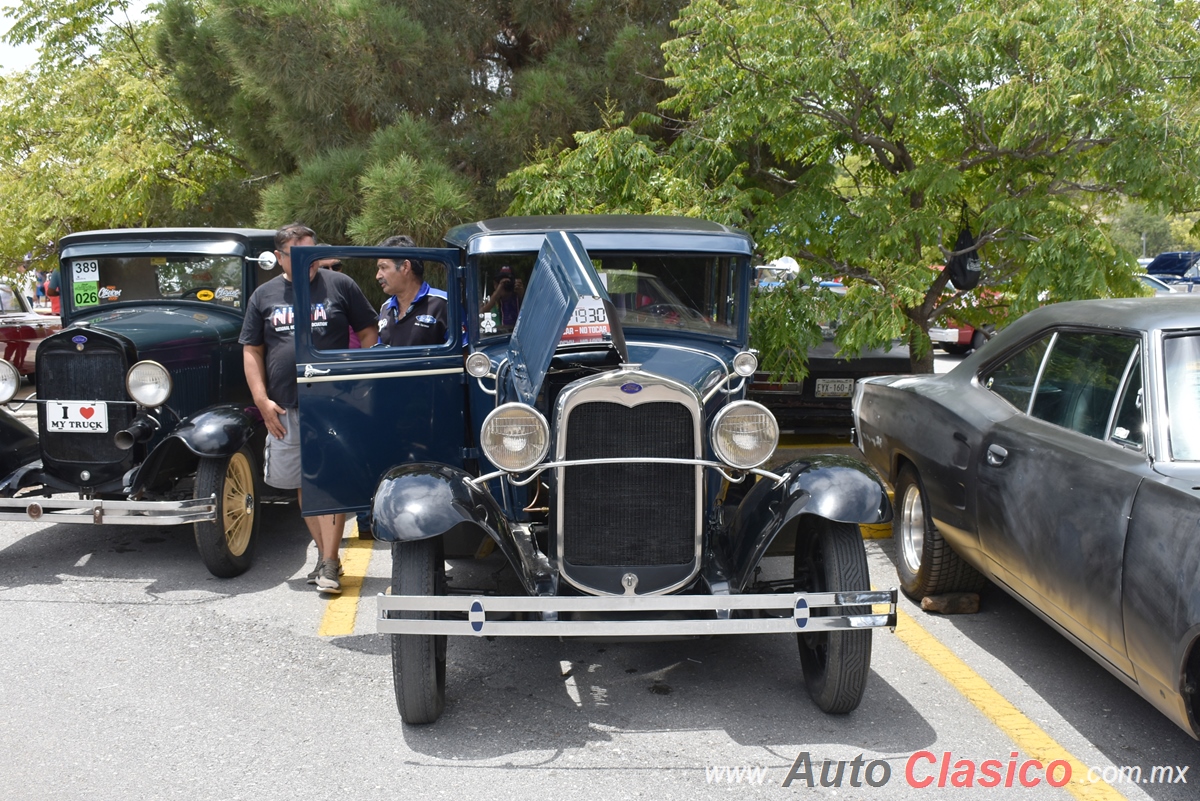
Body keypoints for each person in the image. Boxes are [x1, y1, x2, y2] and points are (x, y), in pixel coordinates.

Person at [239, 224, 379, 594]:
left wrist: (358, 382)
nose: (312, 259)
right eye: (302, 252)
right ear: (282, 256)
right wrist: (261, 400)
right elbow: (252, 350)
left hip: (333, 404)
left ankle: (331, 562)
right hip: (286, 407)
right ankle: (323, 556)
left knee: (329, 481)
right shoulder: (263, 295)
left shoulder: (340, 286)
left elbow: (369, 333)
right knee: (304, 485)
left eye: (314, 251)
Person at [375, 235, 448, 347]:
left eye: (383, 267)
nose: (378, 276)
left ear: (405, 266)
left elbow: (465, 356)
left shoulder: (443, 303)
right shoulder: (385, 308)